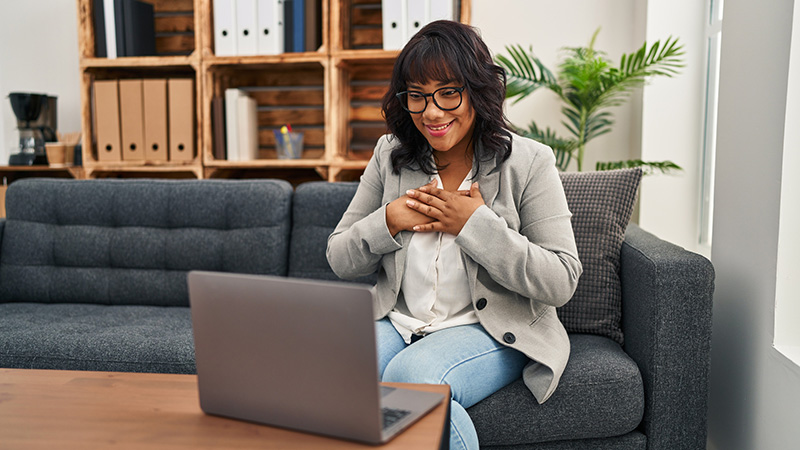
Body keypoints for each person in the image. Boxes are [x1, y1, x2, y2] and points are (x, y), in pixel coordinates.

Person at [326, 20, 582, 450]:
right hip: (399, 320)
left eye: (448, 92)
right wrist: (388, 219)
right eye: (417, 95)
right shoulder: (390, 155)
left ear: (478, 91)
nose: (431, 112)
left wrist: (474, 224)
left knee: (411, 380)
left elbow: (561, 279)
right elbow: (339, 256)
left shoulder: (529, 161)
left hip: (490, 328)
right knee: (332, 374)